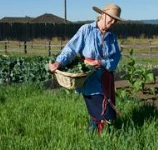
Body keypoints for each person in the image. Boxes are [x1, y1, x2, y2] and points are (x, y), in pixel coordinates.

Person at [49, 4, 123, 135]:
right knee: (101, 111)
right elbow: (71, 49)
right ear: (103, 14)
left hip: (106, 78)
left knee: (105, 113)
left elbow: (116, 57)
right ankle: (99, 137)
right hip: (89, 78)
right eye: (110, 18)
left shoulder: (112, 37)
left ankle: (92, 136)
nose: (112, 22)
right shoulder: (86, 30)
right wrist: (58, 62)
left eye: (115, 20)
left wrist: (101, 62)